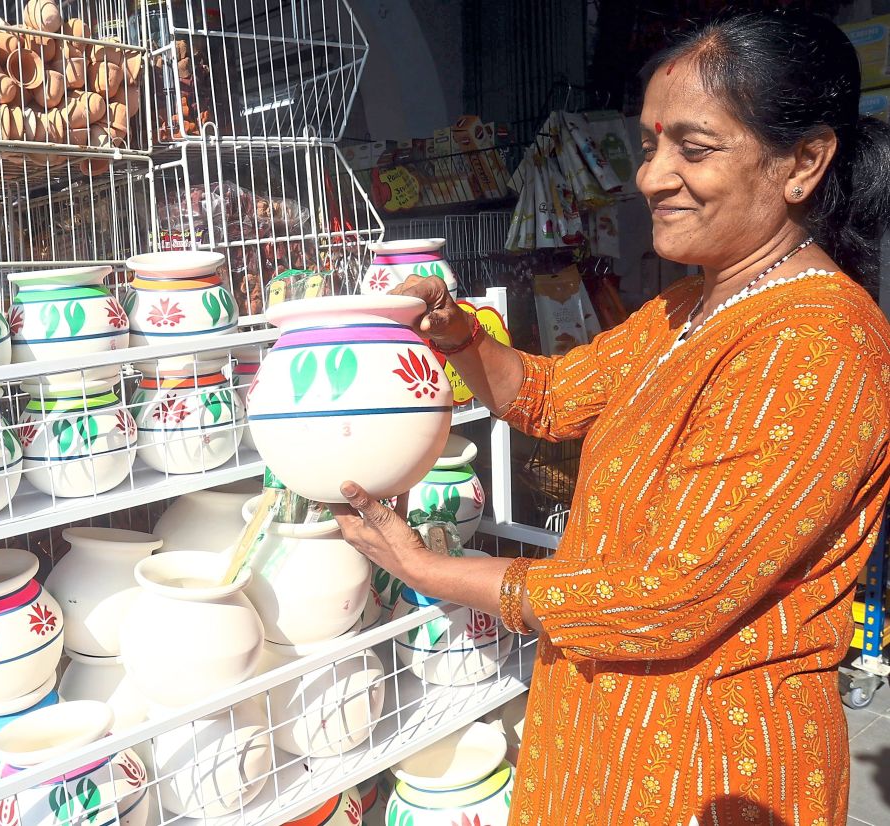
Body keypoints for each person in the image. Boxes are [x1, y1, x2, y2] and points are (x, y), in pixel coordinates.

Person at [332, 11, 890, 825]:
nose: (651, 177)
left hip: (707, 763)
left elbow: (669, 596)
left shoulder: (819, 347)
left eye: (693, 150)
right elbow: (552, 397)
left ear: (803, 162)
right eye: (653, 144)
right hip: (603, 730)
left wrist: (433, 572)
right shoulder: (689, 306)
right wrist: (458, 336)